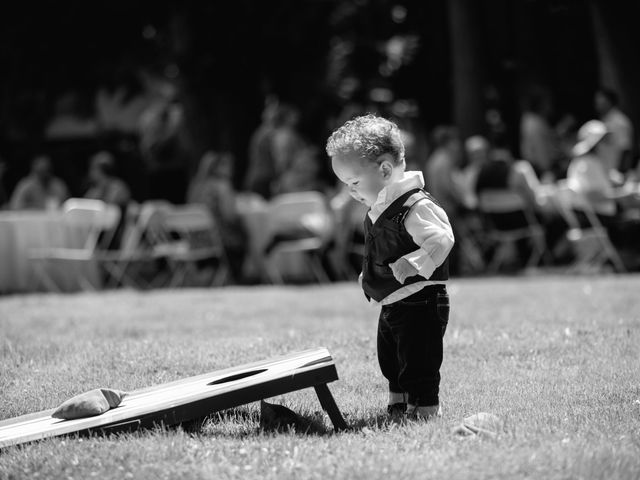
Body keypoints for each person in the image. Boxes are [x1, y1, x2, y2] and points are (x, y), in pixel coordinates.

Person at [326, 114, 454, 421]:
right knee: (392, 358)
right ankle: (399, 402)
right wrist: (369, 274)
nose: (351, 191)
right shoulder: (381, 207)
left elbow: (442, 239)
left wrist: (414, 263)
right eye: (346, 185)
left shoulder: (414, 205)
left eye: (354, 182)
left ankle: (423, 408)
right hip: (394, 300)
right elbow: (381, 249)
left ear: (385, 169)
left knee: (418, 358)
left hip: (420, 301)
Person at [187, 150, 248, 281]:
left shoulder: (195, 186)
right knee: (246, 232)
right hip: (218, 243)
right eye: (226, 165)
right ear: (217, 167)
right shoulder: (222, 186)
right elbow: (230, 215)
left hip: (194, 243)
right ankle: (248, 276)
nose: (231, 169)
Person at [594, 87, 635, 175]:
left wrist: (620, 174)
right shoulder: (604, 121)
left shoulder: (619, 121)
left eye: (600, 99)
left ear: (609, 101)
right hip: (606, 174)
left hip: (616, 175)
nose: (596, 102)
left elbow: (626, 149)